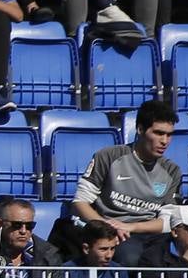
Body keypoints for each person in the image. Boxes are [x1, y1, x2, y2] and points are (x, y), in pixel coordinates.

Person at [71, 99, 182, 267]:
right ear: (140, 129)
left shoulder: (172, 171)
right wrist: (109, 227)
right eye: (159, 133)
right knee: (130, 257)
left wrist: (132, 227)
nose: (165, 141)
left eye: (169, 134)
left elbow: (167, 222)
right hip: (111, 232)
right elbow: (80, 203)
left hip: (148, 234)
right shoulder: (109, 157)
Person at [62, 219, 136, 278]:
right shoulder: (68, 271)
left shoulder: (118, 272)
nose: (109, 255)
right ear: (86, 249)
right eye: (103, 249)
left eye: (112, 248)